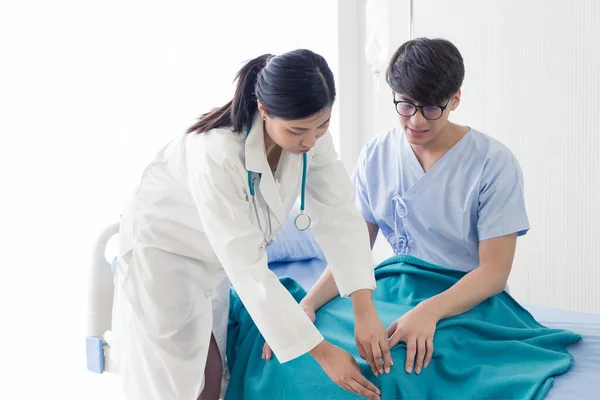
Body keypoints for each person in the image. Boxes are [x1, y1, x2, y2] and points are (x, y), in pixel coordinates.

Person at [111, 49, 392, 400]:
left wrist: (364, 310)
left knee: (213, 376)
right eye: (298, 130)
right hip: (163, 255)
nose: (310, 140)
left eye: (322, 126)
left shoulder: (312, 137)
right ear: (264, 110)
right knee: (184, 382)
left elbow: (340, 216)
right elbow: (248, 268)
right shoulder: (216, 153)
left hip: (214, 260)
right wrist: (323, 353)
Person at [264, 38, 530, 380]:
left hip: (463, 301)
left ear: (456, 99)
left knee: (396, 364)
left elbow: (494, 272)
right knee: (310, 346)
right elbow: (353, 250)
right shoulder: (376, 154)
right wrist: (309, 305)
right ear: (392, 96)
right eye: (405, 105)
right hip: (394, 288)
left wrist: (429, 312)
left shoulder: (493, 163)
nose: (416, 121)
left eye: (431, 108)